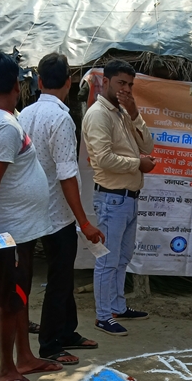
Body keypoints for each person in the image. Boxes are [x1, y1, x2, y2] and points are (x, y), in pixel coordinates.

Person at [0, 51, 59, 381]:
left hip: (15, 226)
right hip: (9, 230)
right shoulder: (4, 126)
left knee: (19, 294)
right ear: (18, 86)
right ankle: (7, 368)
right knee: (10, 299)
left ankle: (25, 356)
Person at [19, 52, 106, 365]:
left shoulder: (24, 115)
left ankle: (67, 331)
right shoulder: (61, 119)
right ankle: (51, 343)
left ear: (40, 82)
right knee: (59, 278)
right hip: (57, 212)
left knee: (63, 275)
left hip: (33, 208)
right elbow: (67, 174)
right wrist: (84, 221)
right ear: (69, 82)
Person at [80, 59, 155, 336]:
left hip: (127, 198)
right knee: (108, 260)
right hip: (112, 198)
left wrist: (134, 113)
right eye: (121, 83)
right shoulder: (99, 114)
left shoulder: (122, 113)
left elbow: (148, 145)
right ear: (106, 81)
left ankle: (117, 306)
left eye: (130, 85)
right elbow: (103, 159)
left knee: (122, 258)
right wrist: (138, 164)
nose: (126, 89)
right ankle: (103, 316)